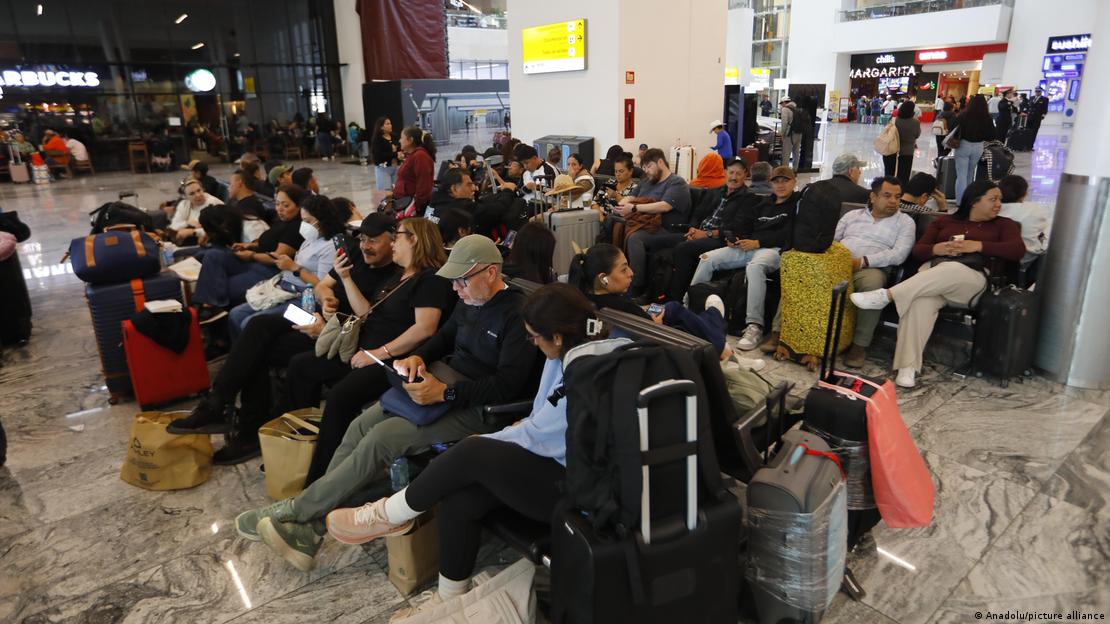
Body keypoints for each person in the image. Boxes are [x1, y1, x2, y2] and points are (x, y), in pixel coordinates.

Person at [234, 235, 542, 570]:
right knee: (358, 426)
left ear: (491, 274)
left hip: (478, 407)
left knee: (381, 439)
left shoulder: (517, 315)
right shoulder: (470, 300)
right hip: (443, 384)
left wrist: (446, 394)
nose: (456, 290)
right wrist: (417, 359)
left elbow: (507, 385)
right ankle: (309, 523)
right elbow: (443, 338)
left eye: (462, 282)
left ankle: (297, 512)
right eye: (454, 282)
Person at [299, 285, 600, 614]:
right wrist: (522, 428)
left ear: (556, 336)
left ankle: (389, 515)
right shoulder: (570, 352)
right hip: (556, 463)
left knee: (472, 452)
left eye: (534, 337)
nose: (532, 344)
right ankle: (449, 596)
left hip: (581, 491)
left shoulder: (584, 372)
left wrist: (505, 436)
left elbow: (545, 433)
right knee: (461, 495)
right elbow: (547, 419)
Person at [169, 215, 402, 462]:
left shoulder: (393, 274)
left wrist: (335, 302)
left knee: (259, 350)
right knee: (258, 326)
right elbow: (323, 285)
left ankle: (246, 429)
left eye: (373, 241)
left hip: (344, 335)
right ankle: (218, 403)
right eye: (364, 238)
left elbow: (369, 318)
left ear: (393, 242)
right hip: (319, 318)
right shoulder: (356, 253)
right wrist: (326, 302)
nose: (366, 245)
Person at [284, 218, 455, 482]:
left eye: (397, 237)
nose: (393, 243)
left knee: (341, 397)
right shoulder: (399, 276)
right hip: (366, 348)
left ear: (414, 240)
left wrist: (379, 352)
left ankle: (320, 478)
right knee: (301, 366)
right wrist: (345, 277)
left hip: (393, 360)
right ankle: (302, 447)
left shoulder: (429, 279)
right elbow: (367, 313)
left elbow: (424, 329)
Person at [850, 180, 1025, 388]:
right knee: (920, 301)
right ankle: (908, 368)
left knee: (951, 269)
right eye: (993, 199)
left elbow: (1017, 250)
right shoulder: (945, 222)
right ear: (974, 201)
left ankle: (887, 296)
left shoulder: (1003, 225)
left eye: (1000, 200)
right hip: (932, 281)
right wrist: (937, 250)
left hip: (970, 281)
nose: (999, 204)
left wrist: (977, 245)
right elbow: (918, 250)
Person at [690, 165, 796, 351]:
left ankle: (754, 326)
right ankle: (692, 308)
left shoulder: (796, 205)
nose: (780, 185)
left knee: (755, 267)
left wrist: (758, 241)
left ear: (794, 182)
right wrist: (735, 238)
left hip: (775, 249)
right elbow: (744, 223)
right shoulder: (763, 203)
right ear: (771, 183)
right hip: (749, 246)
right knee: (707, 258)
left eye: (785, 181)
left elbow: (790, 234)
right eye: (776, 181)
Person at [226, 194, 345, 339]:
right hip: (284, 288)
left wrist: (294, 268)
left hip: (305, 299)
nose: (304, 225)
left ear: (321, 220)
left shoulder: (330, 246)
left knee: (249, 323)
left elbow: (323, 286)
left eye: (308, 221)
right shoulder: (310, 239)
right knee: (236, 314)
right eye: (302, 220)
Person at [193, 184, 306, 323]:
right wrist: (249, 245)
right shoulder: (281, 221)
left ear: (299, 206)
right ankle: (209, 306)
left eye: (285, 205)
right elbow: (267, 241)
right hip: (254, 261)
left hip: (268, 270)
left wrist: (252, 255)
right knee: (212, 255)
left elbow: (277, 258)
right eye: (277, 204)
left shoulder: (295, 227)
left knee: (220, 287)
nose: (279, 209)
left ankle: (210, 309)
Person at [835, 176, 916, 367]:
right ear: (873, 196)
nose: (893, 201)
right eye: (887, 196)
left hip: (872, 268)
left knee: (872, 286)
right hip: (839, 263)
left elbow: (899, 254)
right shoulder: (852, 216)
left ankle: (859, 346)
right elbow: (833, 241)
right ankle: (780, 332)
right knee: (806, 271)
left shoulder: (904, 222)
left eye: (897, 197)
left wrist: (863, 261)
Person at [666, 157, 762, 303]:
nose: (733, 177)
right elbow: (698, 213)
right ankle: (651, 293)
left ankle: (675, 300)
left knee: (682, 249)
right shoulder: (715, 192)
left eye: (738, 174)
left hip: (720, 239)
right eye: (731, 173)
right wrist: (693, 229)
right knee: (656, 242)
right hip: (699, 233)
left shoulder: (749, 198)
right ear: (725, 173)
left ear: (745, 175)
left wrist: (706, 234)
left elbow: (736, 228)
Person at [615, 148, 691, 300]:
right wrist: (622, 206)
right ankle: (615, 278)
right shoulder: (647, 182)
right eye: (644, 168)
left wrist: (635, 207)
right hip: (645, 224)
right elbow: (630, 197)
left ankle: (636, 286)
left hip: (667, 229)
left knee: (635, 238)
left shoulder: (677, 183)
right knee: (615, 224)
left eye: (649, 166)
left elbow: (665, 206)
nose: (646, 171)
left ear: (660, 162)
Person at [998, 174, 1052, 267]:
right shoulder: (1035, 210)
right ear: (1025, 194)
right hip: (1027, 260)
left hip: (998, 260)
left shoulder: (992, 209)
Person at [950, 94, 995, 203]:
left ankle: (960, 201)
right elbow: (992, 135)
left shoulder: (963, 115)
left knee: (961, 175)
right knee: (970, 174)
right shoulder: (987, 117)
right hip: (978, 146)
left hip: (963, 145)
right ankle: (968, 200)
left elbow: (953, 128)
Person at [393, 126, 437, 217]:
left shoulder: (420, 156)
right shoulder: (414, 155)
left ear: (410, 140)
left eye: (402, 138)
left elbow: (424, 185)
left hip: (414, 208)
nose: (399, 141)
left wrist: (415, 206)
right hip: (405, 202)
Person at [170, 179, 224, 245]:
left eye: (199, 190)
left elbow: (219, 231)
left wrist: (193, 231)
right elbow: (173, 226)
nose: (198, 195)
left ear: (203, 189)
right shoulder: (184, 205)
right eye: (192, 194)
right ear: (186, 197)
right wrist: (188, 223)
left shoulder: (214, 203)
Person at [225, 169, 270, 243]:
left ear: (240, 183)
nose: (228, 188)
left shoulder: (249, 207)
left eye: (230, 184)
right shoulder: (243, 204)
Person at [884, 101, 919, 188]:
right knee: (904, 174)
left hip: (891, 149)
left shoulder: (894, 119)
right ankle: (901, 193)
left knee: (889, 173)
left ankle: (887, 190)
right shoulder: (915, 122)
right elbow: (917, 134)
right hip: (907, 151)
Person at [371, 117, 401, 191]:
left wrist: (401, 154)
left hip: (396, 167)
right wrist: (395, 155)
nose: (390, 125)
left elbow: (400, 148)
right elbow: (379, 155)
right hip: (383, 168)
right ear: (381, 127)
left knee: (397, 191)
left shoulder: (395, 136)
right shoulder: (377, 139)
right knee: (386, 193)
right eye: (387, 124)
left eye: (390, 123)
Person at [779, 98, 802, 168]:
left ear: (783, 102)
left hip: (790, 134)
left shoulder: (785, 109)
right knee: (796, 153)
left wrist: (782, 135)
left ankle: (785, 170)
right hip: (799, 133)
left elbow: (784, 123)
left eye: (781, 104)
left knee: (786, 153)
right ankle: (795, 170)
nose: (781, 106)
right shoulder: (796, 108)